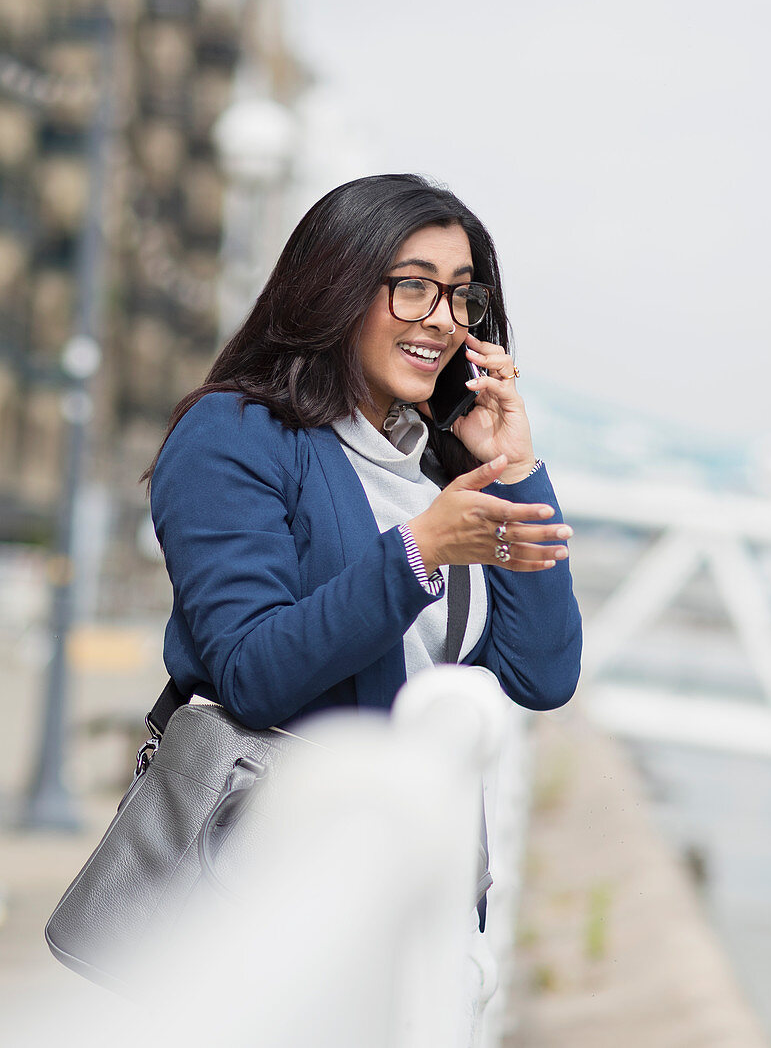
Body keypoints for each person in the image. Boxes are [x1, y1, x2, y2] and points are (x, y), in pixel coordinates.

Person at [143, 172, 582, 1034]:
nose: (443, 318)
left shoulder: (434, 462)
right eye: (413, 284)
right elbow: (253, 671)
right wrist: (421, 550)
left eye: (462, 296)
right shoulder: (234, 434)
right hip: (271, 902)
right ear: (335, 284)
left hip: (419, 911)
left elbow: (541, 672)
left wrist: (516, 468)